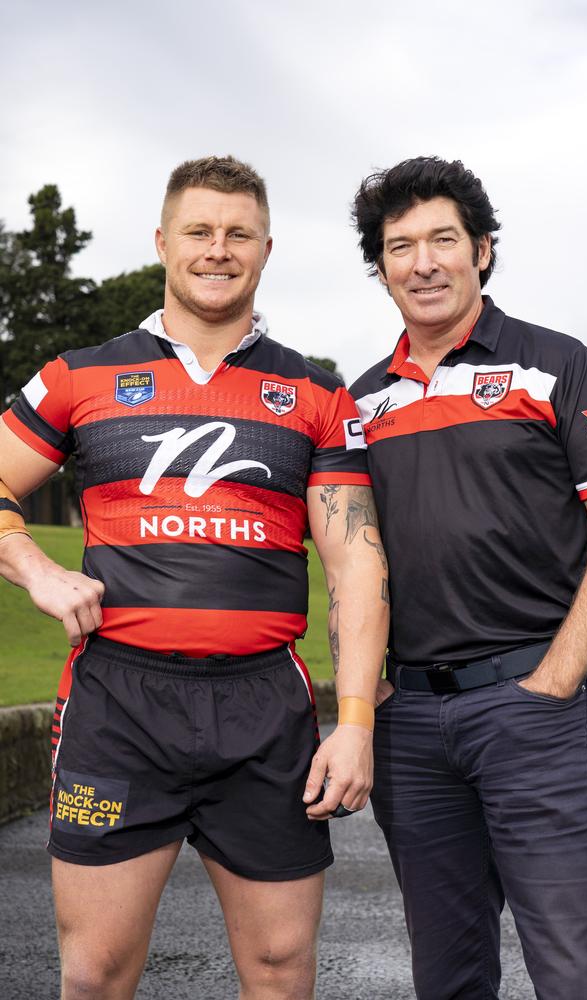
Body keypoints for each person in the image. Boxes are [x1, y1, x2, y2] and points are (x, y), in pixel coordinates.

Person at [0, 155, 389, 1000]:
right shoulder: (80, 374)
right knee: (95, 973)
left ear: (266, 248)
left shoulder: (316, 393)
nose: (219, 249)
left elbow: (356, 562)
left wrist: (355, 721)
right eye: (199, 231)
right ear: (162, 243)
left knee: (281, 971)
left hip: (264, 709)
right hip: (118, 704)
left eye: (238, 233)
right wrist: (33, 567)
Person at [348, 155, 587, 1000]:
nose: (423, 262)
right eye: (399, 246)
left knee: (575, 977)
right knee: (447, 979)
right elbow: (352, 559)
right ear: (382, 267)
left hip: (535, 714)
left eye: (443, 238)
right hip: (411, 729)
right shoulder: (361, 403)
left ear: (481, 249)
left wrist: (552, 682)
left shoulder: (558, 364)